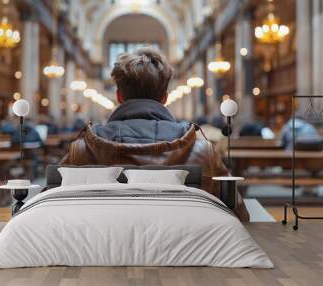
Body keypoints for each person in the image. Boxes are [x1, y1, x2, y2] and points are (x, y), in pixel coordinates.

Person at [59, 47, 249, 221]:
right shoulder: (201, 149)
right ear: (165, 98)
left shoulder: (83, 147)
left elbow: (52, 204)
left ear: (119, 96)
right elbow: (238, 213)